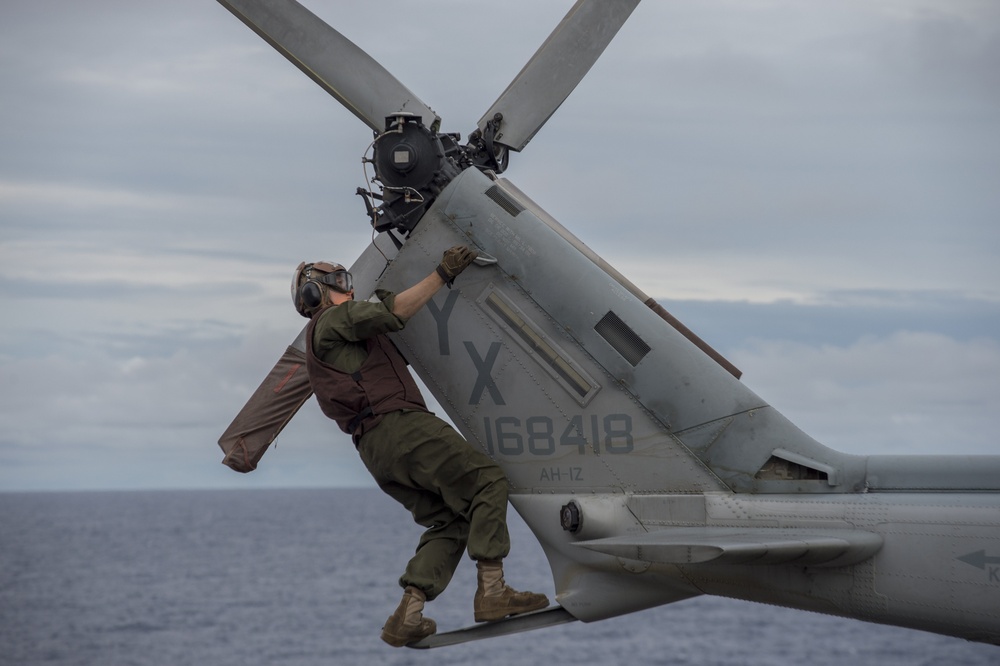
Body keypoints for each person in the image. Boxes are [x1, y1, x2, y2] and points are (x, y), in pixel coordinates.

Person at [291, 246, 548, 647]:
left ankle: (407, 615)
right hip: (399, 427)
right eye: (339, 284)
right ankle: (493, 592)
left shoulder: (326, 345)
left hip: (375, 452)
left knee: (450, 522)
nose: (349, 290)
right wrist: (443, 272)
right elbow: (394, 313)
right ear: (314, 296)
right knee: (487, 483)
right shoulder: (332, 320)